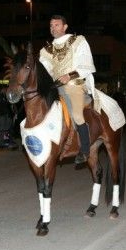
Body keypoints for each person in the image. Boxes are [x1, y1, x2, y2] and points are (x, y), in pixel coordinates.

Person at [39, 14, 96, 164]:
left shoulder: (78, 41)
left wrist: (69, 76)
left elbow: (87, 64)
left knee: (77, 114)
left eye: (56, 25)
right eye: (51, 26)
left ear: (65, 27)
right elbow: (45, 72)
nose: (53, 28)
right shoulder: (46, 51)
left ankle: (85, 150)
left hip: (74, 86)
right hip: (56, 89)